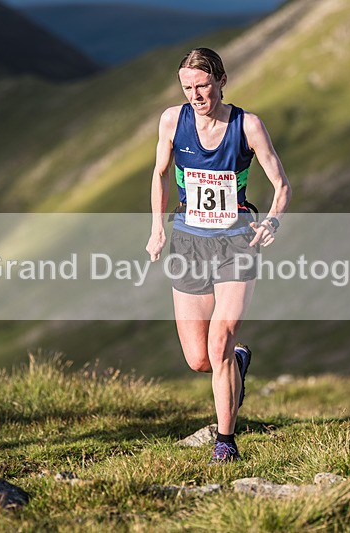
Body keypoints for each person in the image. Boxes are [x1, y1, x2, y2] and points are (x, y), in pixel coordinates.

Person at [146, 48, 291, 463]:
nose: (196, 95)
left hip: (236, 243)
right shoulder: (172, 121)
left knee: (220, 343)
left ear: (222, 81)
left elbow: (282, 185)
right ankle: (238, 362)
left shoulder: (248, 125)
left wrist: (273, 221)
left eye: (203, 86)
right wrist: (157, 227)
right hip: (188, 243)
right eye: (188, 87)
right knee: (199, 359)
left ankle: (225, 442)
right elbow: (158, 174)